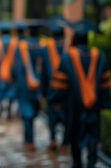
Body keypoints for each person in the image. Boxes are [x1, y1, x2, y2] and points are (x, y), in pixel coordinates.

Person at [49, 19, 111, 168]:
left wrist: (55, 100)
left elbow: (59, 85)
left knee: (75, 136)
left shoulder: (68, 57)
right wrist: (105, 102)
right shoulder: (99, 56)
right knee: (92, 136)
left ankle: (77, 163)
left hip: (73, 107)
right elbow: (105, 85)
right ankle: (91, 162)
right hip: (93, 107)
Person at [12, 19, 47, 151]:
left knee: (27, 114)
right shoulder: (44, 46)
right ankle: (29, 139)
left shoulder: (21, 46)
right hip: (39, 87)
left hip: (24, 86)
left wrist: (16, 80)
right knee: (33, 112)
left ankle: (29, 140)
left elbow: (17, 68)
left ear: (28, 32)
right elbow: (47, 68)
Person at [43, 15, 68, 151]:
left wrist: (43, 91)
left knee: (52, 116)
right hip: (65, 91)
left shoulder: (47, 48)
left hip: (51, 90)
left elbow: (44, 73)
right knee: (65, 116)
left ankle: (53, 138)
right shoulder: (69, 49)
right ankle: (64, 141)